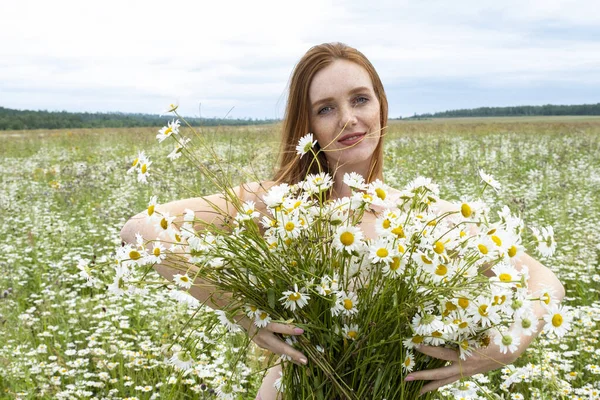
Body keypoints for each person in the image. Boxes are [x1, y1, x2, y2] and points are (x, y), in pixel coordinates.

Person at [120, 42, 565, 399]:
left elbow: (545, 281)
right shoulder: (277, 204)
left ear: (380, 107)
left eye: (359, 99)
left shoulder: (429, 215)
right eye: (326, 108)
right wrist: (238, 307)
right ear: (306, 124)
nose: (349, 119)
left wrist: (505, 348)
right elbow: (140, 228)